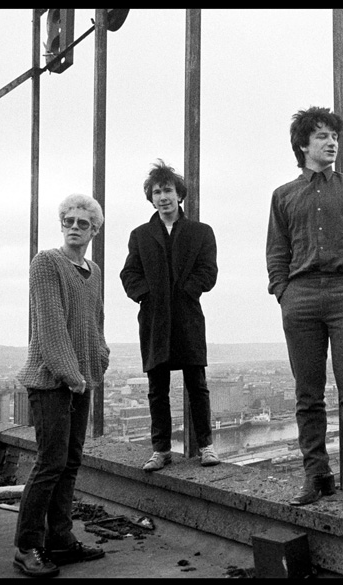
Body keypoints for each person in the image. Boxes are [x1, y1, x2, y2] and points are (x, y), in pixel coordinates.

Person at [266, 106, 343, 509]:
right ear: (303, 144)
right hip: (299, 298)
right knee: (307, 395)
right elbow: (276, 251)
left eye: (334, 136)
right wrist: (283, 291)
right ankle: (316, 476)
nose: (331, 142)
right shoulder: (283, 195)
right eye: (321, 136)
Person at [14, 194, 110, 578]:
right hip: (52, 381)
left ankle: (60, 540)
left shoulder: (95, 271)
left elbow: (96, 324)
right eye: (68, 220)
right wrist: (73, 376)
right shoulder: (46, 263)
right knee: (50, 463)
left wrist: (98, 359)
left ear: (94, 230)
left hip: (79, 381)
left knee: (70, 463)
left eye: (82, 223)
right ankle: (26, 546)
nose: (74, 227)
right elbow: (51, 329)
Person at [120, 159, 220, 471]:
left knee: (197, 385)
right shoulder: (140, 235)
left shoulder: (200, 232)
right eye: (157, 192)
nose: (163, 197)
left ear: (180, 195)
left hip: (187, 316)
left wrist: (188, 291)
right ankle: (161, 450)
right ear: (150, 197)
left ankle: (207, 447)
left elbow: (209, 271)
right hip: (154, 320)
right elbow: (129, 274)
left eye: (168, 190)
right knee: (156, 388)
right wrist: (146, 296)